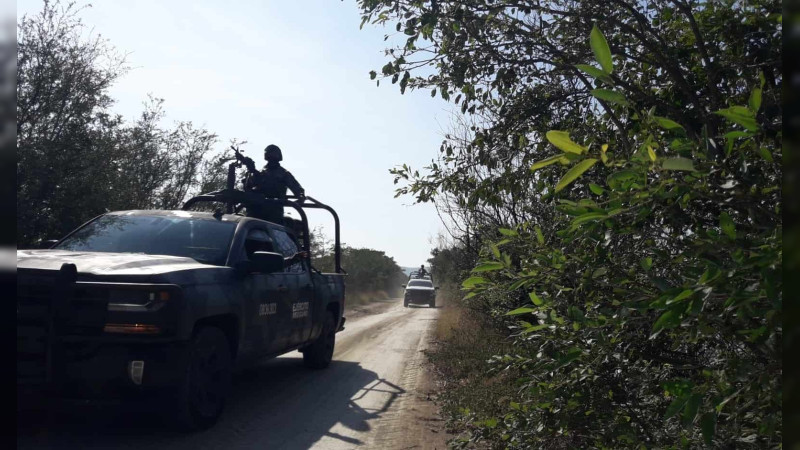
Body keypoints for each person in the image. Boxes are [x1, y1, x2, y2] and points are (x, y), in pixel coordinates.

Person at [244, 144, 305, 225]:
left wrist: (300, 197)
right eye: (268, 154)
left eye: (271, 153)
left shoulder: (283, 174)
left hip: (274, 209)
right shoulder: (260, 172)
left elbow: (297, 188)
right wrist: (251, 171)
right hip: (257, 209)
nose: (270, 156)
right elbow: (248, 188)